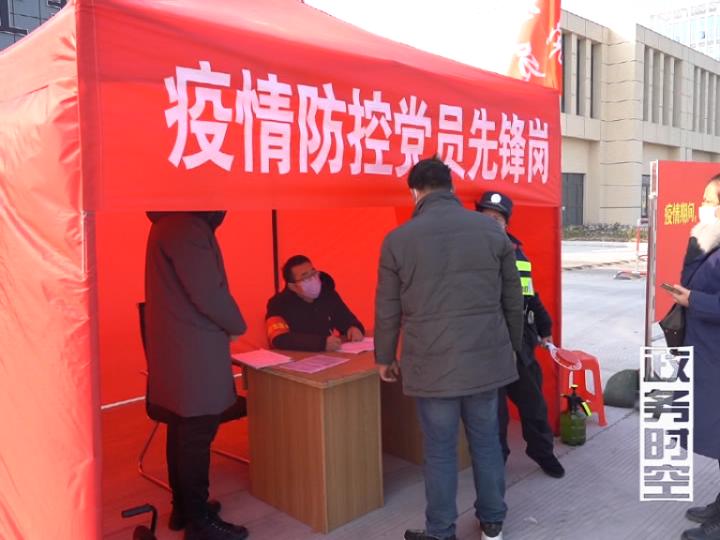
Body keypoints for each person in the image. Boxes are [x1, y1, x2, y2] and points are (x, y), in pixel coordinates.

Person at [375, 157, 524, 540]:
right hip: (486, 361)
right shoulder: (492, 232)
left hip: (431, 365)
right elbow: (513, 299)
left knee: (440, 451)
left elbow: (388, 307)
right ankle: (492, 523)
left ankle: (441, 530)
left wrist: (384, 357)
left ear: (415, 192)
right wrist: (512, 348)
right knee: (486, 443)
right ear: (452, 187)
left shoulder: (397, 240)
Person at [144, 211, 249, 540]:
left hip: (179, 348)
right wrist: (236, 324)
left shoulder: (170, 223)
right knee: (196, 435)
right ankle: (199, 523)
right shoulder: (185, 226)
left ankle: (185, 509)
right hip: (193, 350)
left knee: (182, 431)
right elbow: (207, 291)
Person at [476, 191, 565, 479]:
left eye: (497, 218)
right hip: (488, 344)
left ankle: (542, 452)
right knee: (495, 413)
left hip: (521, 343)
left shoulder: (517, 252)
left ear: (506, 223)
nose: (492, 222)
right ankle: (496, 462)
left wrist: (544, 326)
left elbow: (530, 295)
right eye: (486, 216)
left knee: (534, 404)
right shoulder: (469, 251)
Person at [670, 177, 720, 540]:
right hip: (706, 351)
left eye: (711, 200)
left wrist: (694, 301)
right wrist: (698, 241)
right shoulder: (710, 240)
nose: (704, 206)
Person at [265, 254, 364, 351]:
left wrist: (353, 328)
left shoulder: (327, 293)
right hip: (297, 357)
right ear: (292, 286)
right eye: (305, 277)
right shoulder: (278, 303)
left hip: (330, 355)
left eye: (313, 272)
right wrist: (321, 343)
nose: (312, 279)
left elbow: (346, 318)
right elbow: (278, 338)